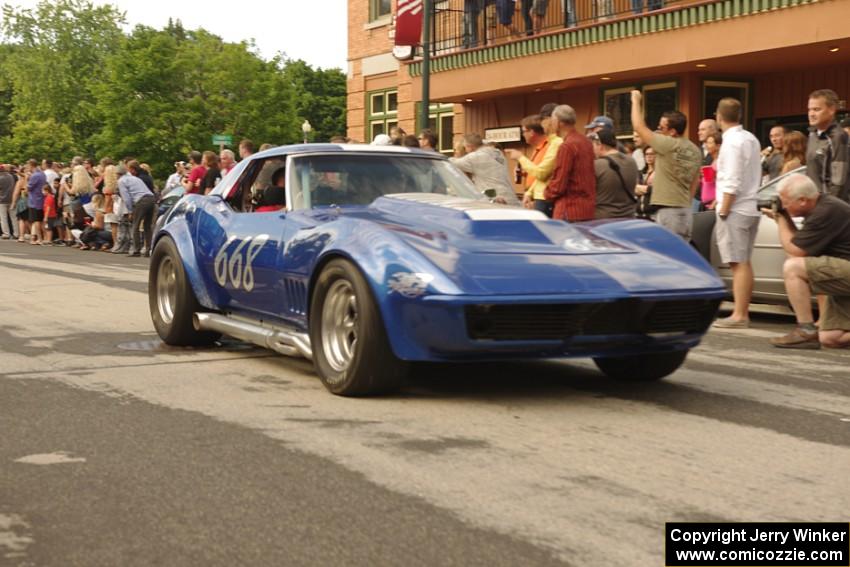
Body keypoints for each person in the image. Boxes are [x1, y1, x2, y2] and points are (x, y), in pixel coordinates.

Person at [762, 174, 850, 349]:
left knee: (793, 268)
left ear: (802, 200)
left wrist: (780, 219)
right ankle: (811, 333)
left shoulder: (826, 211)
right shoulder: (820, 207)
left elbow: (795, 252)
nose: (783, 205)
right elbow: (800, 243)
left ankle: (806, 330)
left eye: (785, 202)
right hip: (844, 271)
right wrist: (785, 217)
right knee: (831, 338)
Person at [712, 97, 763, 329]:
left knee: (737, 262)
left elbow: (732, 178)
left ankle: (740, 314)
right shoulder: (750, 138)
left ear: (719, 117)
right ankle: (743, 310)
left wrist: (724, 208)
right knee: (744, 261)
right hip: (750, 204)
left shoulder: (731, 142)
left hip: (735, 207)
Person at [630, 90, 702, 239]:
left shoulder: (668, 144)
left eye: (662, 128)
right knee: (682, 257)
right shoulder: (695, 149)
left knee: (668, 257)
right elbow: (696, 180)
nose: (658, 130)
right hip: (685, 211)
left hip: (668, 212)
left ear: (673, 132)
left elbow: (639, 127)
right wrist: (686, 202)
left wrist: (636, 101)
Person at [544, 104, 596, 221]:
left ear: (558, 122)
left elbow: (559, 182)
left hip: (568, 209)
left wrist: (546, 194)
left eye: (552, 120)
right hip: (587, 208)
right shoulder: (586, 142)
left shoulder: (567, 146)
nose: (551, 124)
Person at [505, 112, 562, 216]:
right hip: (537, 195)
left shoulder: (551, 145)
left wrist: (520, 157)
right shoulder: (540, 147)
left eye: (524, 131)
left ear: (531, 132)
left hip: (544, 197)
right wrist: (529, 193)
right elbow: (538, 174)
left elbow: (541, 173)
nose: (523, 135)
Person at [450, 133, 521, 205]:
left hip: (497, 201)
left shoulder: (476, 157)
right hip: (511, 198)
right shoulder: (498, 153)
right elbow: (484, 143)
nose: (466, 150)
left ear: (470, 147)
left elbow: (453, 162)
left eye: (465, 148)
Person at [805, 89, 849, 201]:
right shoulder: (812, 135)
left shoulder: (838, 136)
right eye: (809, 109)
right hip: (812, 202)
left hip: (830, 205)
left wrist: (829, 205)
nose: (811, 114)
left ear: (831, 110)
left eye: (816, 109)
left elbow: (839, 180)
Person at [591, 128, 638, 219]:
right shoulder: (632, 162)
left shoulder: (597, 165)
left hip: (603, 220)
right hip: (628, 217)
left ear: (600, 145)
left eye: (593, 145)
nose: (592, 149)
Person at [117, 164, 156, 257]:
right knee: (147, 226)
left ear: (118, 174)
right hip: (151, 198)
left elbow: (126, 197)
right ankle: (148, 249)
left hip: (140, 200)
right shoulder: (135, 178)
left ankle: (136, 250)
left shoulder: (122, 181)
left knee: (135, 225)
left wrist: (130, 211)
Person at [25, 159, 46, 245]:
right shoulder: (42, 174)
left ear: (31, 165)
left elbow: (28, 188)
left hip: (34, 200)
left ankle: (39, 238)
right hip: (41, 199)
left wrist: (27, 179)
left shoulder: (35, 176)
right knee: (39, 220)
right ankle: (37, 237)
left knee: (36, 220)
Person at [700, 132, 721, 210]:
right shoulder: (713, 162)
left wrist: (714, 203)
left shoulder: (719, 162)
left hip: (713, 205)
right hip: (706, 204)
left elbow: (723, 185)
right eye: (706, 143)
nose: (706, 146)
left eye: (709, 143)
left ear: (718, 146)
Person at [635, 147, 656, 219]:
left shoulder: (660, 173)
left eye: (652, 154)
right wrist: (648, 189)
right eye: (646, 154)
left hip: (654, 215)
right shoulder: (640, 173)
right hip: (638, 215)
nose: (649, 156)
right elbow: (634, 189)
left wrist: (646, 189)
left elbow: (659, 190)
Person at [0, 165, 17, 239]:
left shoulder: (0, 178)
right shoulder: (11, 176)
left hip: (2, 200)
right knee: (14, 217)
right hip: (12, 199)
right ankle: (16, 233)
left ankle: (6, 234)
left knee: (3, 218)